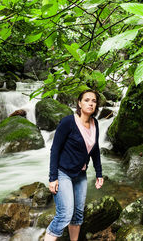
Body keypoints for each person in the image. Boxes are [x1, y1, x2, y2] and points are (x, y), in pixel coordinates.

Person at [44, 89, 104, 241]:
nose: (90, 103)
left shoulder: (95, 123)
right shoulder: (68, 122)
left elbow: (95, 150)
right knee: (64, 214)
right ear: (79, 103)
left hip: (80, 174)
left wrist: (99, 173)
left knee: (77, 215)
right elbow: (55, 150)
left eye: (94, 101)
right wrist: (53, 178)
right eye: (87, 100)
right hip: (63, 172)